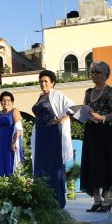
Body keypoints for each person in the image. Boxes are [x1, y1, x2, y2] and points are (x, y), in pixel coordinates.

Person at [80, 61, 112, 212]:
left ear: (105, 75)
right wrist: (79, 114)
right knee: (92, 163)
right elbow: (85, 109)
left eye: (97, 72)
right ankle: (96, 200)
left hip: (107, 132)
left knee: (107, 164)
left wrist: (102, 118)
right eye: (92, 72)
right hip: (91, 131)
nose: (93, 75)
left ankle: (107, 200)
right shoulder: (88, 92)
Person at [31, 70, 74, 208]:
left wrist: (62, 119)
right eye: (41, 81)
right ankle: (41, 200)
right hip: (40, 135)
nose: (43, 84)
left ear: (52, 83)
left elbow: (73, 107)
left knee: (53, 166)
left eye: (46, 81)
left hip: (52, 133)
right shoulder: (40, 97)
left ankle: (56, 200)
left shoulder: (57, 95)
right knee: (40, 166)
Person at [0, 91, 24, 175]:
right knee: (1, 163)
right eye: (3, 100)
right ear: (0, 102)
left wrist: (14, 141)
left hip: (11, 142)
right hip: (1, 143)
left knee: (11, 163)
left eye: (8, 100)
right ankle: (3, 181)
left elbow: (18, 128)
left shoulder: (14, 111)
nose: (6, 102)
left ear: (12, 102)